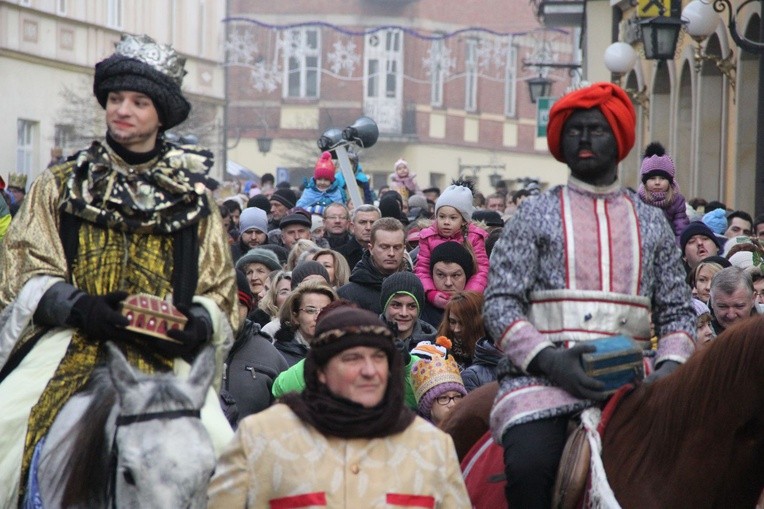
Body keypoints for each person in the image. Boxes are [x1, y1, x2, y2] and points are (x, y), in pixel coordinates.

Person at [0, 34, 238, 506]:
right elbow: (21, 270)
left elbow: (219, 288)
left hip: (164, 358)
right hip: (71, 344)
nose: (122, 109)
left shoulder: (195, 198)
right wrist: (82, 306)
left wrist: (194, 323)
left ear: (160, 114)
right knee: (4, 436)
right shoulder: (60, 184)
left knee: (226, 458)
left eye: (137, 101)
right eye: (114, 99)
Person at [484, 82, 695, 508]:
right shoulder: (534, 213)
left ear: (619, 141)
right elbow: (500, 301)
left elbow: (677, 311)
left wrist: (670, 368)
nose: (583, 138)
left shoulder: (651, 222)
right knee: (529, 468)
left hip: (636, 384)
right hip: (541, 381)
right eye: (574, 129)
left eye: (596, 130)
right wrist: (551, 361)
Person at [208, 306, 470, 508]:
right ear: (321, 370)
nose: (370, 371)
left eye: (379, 358)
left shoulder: (431, 446)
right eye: (352, 358)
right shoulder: (261, 438)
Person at [223, 270, 289, 423]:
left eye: (239, 304)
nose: (231, 312)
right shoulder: (187, 351)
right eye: (224, 303)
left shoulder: (270, 357)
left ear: (248, 308)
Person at [414, 180, 489, 310]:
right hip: (436, 298)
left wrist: (467, 296)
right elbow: (422, 269)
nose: (446, 222)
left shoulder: (475, 237)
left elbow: (481, 272)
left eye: (453, 218)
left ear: (464, 221)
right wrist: (431, 294)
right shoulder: (428, 236)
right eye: (442, 217)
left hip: (466, 301)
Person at [337, 217, 407, 315]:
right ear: (371, 248)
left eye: (397, 247)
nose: (391, 253)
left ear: (404, 249)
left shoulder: (415, 288)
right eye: (384, 247)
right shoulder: (347, 295)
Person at [272, 280, 337, 366]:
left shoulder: (341, 351)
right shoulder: (278, 356)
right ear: (295, 316)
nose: (318, 317)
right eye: (310, 310)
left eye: (325, 311)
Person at [636, 141, 688, 241]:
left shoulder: (677, 200)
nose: (657, 182)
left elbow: (681, 228)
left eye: (662, 178)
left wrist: (676, 250)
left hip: (670, 244)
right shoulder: (638, 200)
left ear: (670, 181)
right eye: (652, 178)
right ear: (645, 182)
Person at [410, 338, 468, 426]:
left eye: (457, 396)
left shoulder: (473, 433)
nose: (452, 404)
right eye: (444, 398)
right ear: (428, 406)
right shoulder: (414, 436)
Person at [419, 241, 473, 328]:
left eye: (455, 275)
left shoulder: (481, 311)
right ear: (432, 275)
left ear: (467, 276)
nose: (448, 283)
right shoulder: (418, 310)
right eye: (441, 275)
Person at [380, 271, 437, 349]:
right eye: (396, 305)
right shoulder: (366, 342)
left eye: (411, 306)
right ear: (384, 306)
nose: (404, 313)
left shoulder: (434, 349)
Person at [436, 291, 486, 370]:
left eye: (463, 323)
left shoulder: (491, 356)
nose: (456, 329)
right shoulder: (438, 351)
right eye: (452, 322)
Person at [708, 266, 756, 334]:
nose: (731, 315)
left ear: (753, 299)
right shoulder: (696, 337)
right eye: (722, 306)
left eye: (739, 306)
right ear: (711, 301)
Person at [337, 204, 381, 270]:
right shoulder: (339, 256)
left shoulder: (390, 253)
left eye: (373, 222)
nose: (368, 227)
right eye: (362, 222)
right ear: (352, 226)